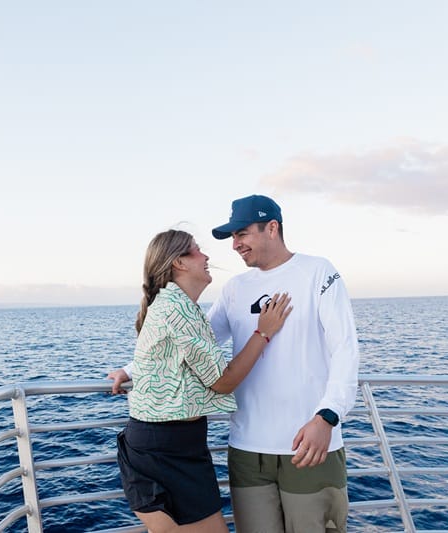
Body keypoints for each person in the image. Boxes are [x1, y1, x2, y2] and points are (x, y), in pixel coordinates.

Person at [112, 229, 292, 533]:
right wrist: (264, 332)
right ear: (179, 263)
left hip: (166, 443)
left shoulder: (177, 305)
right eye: (197, 251)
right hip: (166, 448)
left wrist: (130, 370)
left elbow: (168, 357)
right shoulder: (177, 309)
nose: (206, 257)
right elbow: (222, 382)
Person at [207, 194, 360, 533]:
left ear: (272, 228)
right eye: (233, 237)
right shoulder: (235, 288)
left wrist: (328, 416)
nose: (235, 245)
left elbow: (345, 349)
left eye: (242, 234)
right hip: (247, 451)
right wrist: (131, 371)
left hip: (310, 446)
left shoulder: (318, 272)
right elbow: (193, 343)